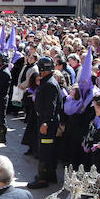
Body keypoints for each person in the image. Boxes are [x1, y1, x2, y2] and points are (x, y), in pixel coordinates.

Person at [28, 56, 62, 189]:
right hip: (46, 120)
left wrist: (46, 123)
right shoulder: (48, 81)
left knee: (45, 150)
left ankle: (43, 179)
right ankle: (50, 175)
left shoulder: (49, 84)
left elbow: (51, 106)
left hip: (47, 122)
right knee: (49, 150)